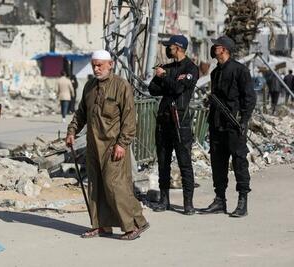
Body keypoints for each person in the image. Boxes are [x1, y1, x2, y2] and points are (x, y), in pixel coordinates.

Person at [65, 50, 149, 240]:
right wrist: (72, 132)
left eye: (100, 65)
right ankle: (100, 225)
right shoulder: (89, 86)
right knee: (95, 186)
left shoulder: (121, 86)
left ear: (110, 64)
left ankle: (135, 224)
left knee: (115, 186)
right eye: (94, 65)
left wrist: (122, 144)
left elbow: (129, 119)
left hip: (113, 146)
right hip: (93, 145)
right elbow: (80, 114)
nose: (96, 68)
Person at [201, 36, 256, 217]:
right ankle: (220, 200)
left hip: (234, 125)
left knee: (239, 161)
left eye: (216, 46)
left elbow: (249, 98)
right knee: (218, 162)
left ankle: (242, 201)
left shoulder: (240, 70)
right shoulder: (215, 72)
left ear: (224, 49)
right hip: (217, 124)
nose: (213, 48)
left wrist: (243, 120)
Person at [148, 35, 199, 215]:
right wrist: (165, 78)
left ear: (178, 48)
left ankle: (188, 203)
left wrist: (165, 79)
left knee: (184, 162)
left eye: (169, 46)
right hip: (164, 120)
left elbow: (178, 89)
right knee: (163, 162)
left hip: (181, 120)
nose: (167, 49)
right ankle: (164, 200)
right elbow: (152, 89)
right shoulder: (167, 68)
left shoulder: (191, 68)